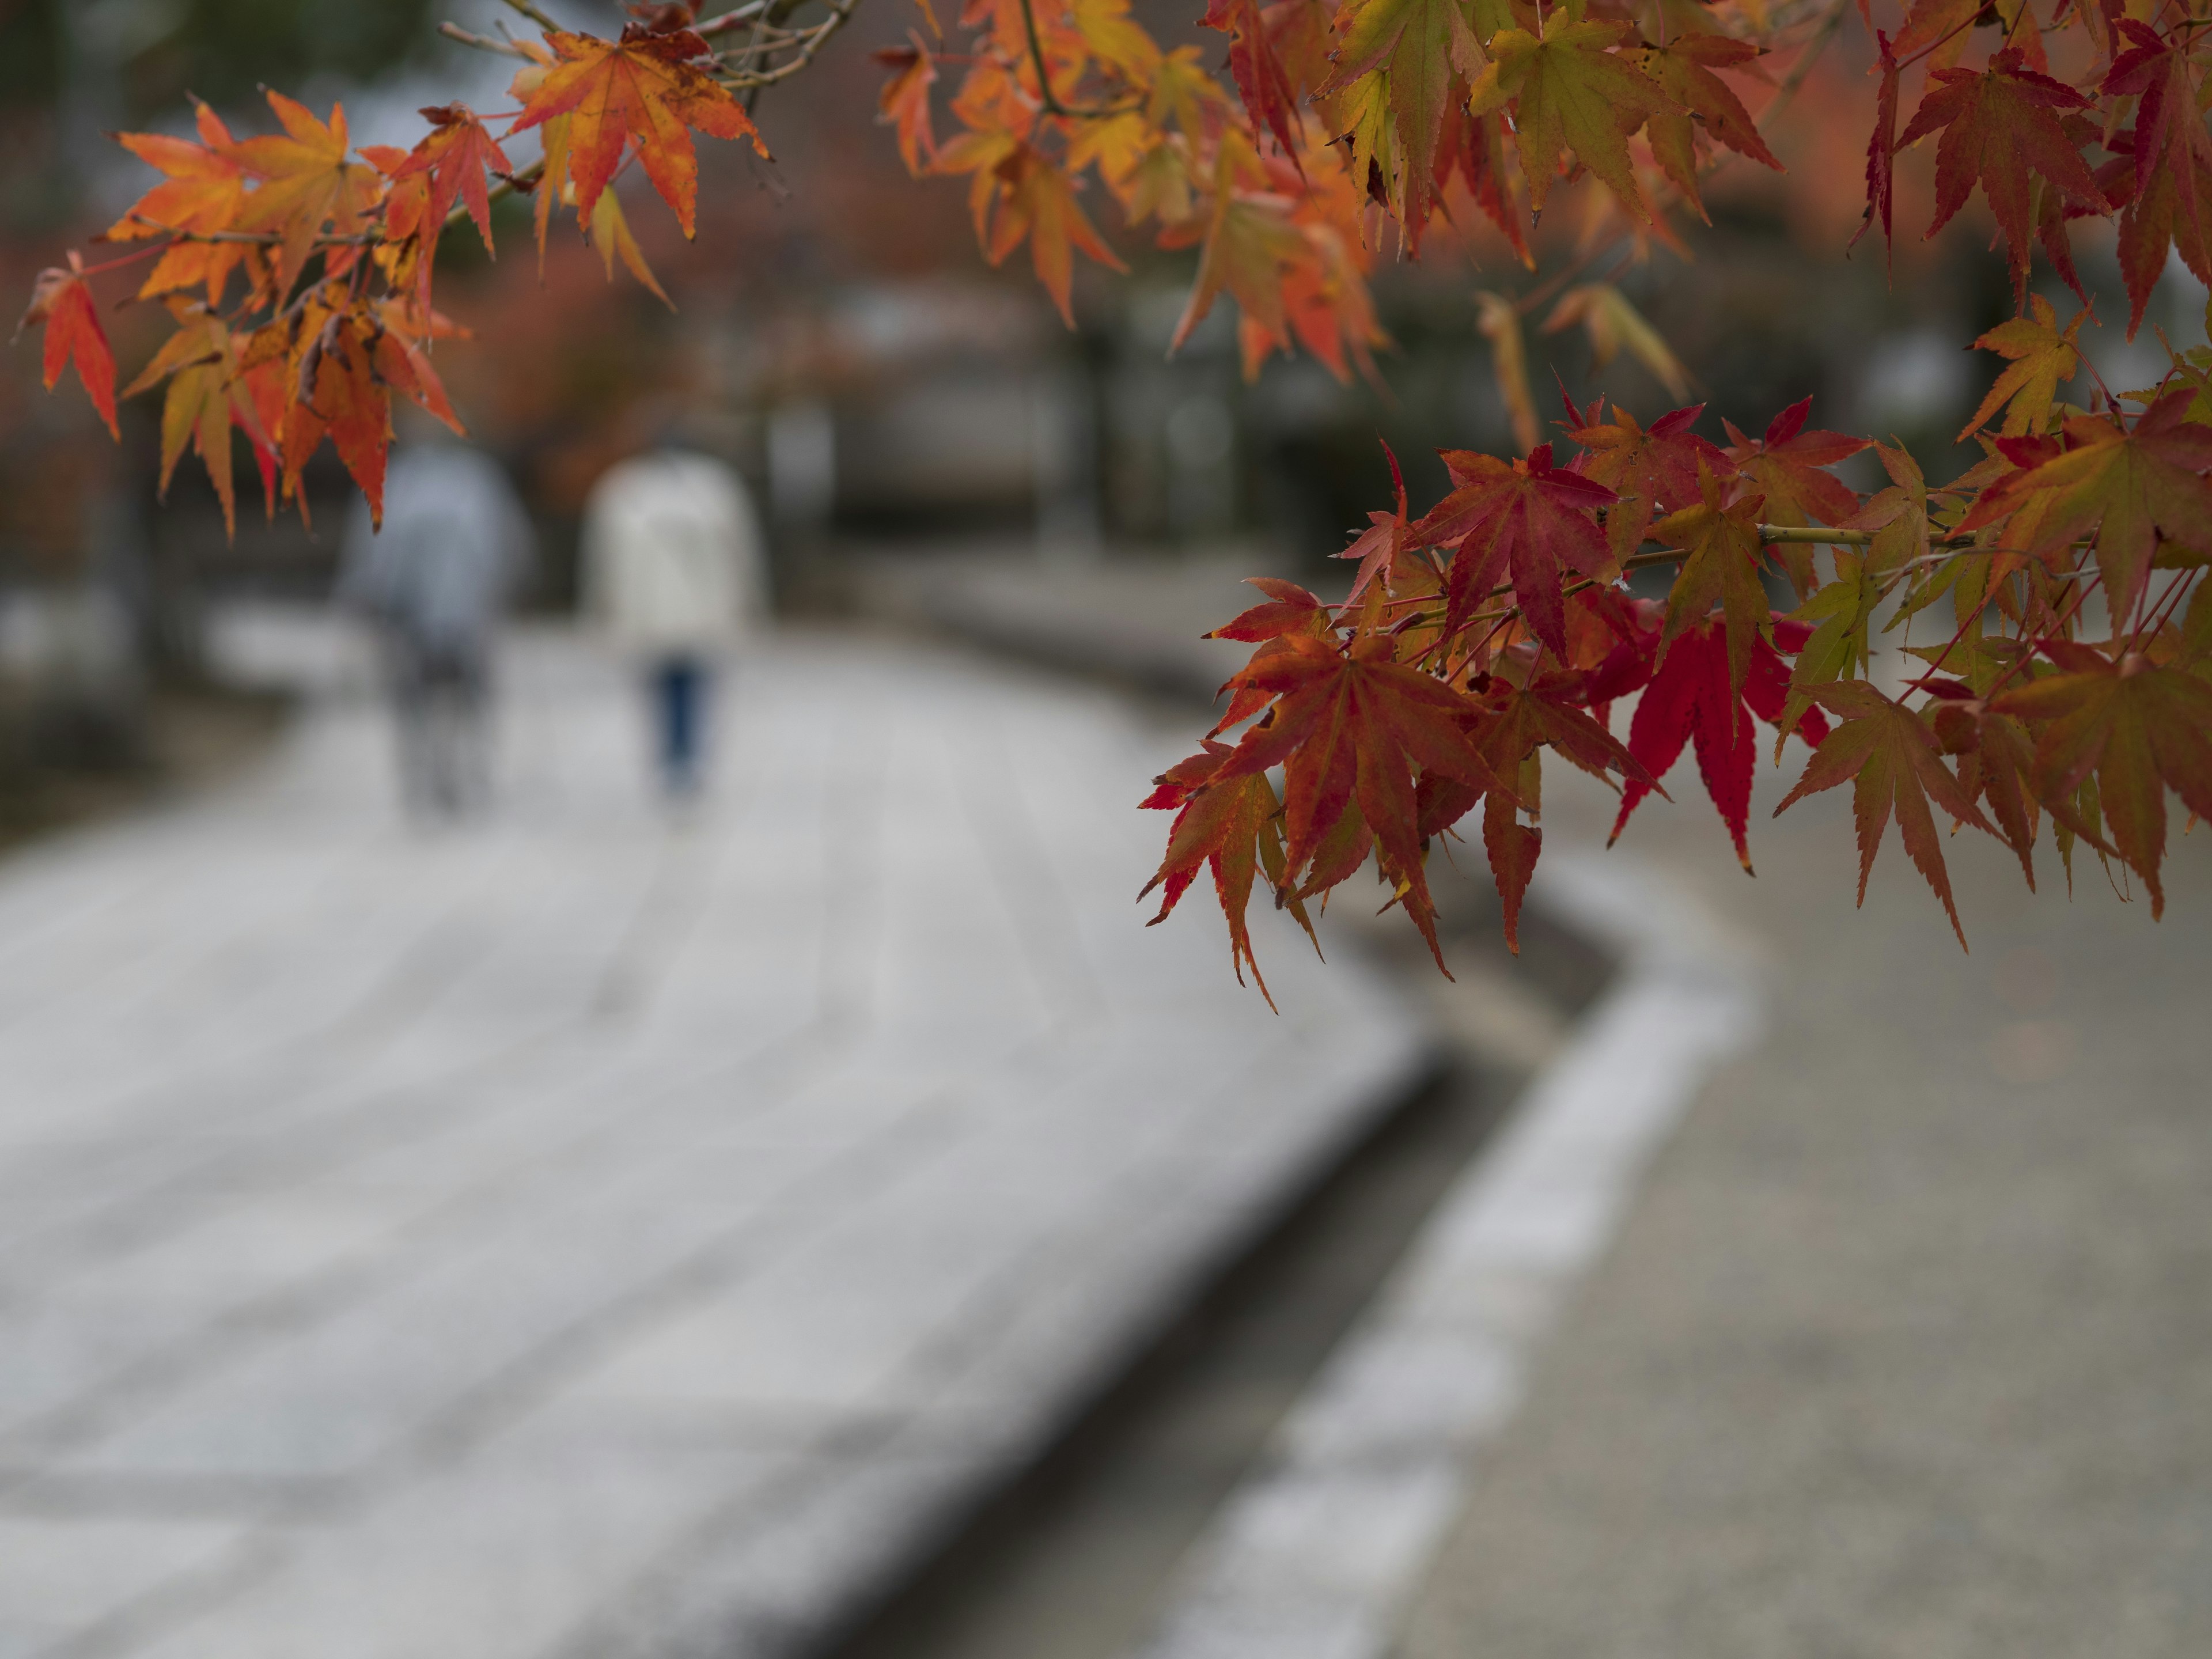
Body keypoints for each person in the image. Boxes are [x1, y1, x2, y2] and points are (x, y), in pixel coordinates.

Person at [336, 442, 533, 817]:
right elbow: (509, 541)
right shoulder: (477, 481)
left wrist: (365, 596)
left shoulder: (393, 483)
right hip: (468, 611)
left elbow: (371, 551)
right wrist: (512, 585)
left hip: (407, 613)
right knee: (470, 693)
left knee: (413, 697)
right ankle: (469, 769)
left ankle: (422, 773)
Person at [579, 444, 767, 798]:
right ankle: (682, 758)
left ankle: (676, 758)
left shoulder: (627, 490)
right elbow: (744, 554)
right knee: (685, 686)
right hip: (694, 610)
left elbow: (601, 562)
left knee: (672, 686)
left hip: (654, 611)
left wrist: (600, 611)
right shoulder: (713, 489)